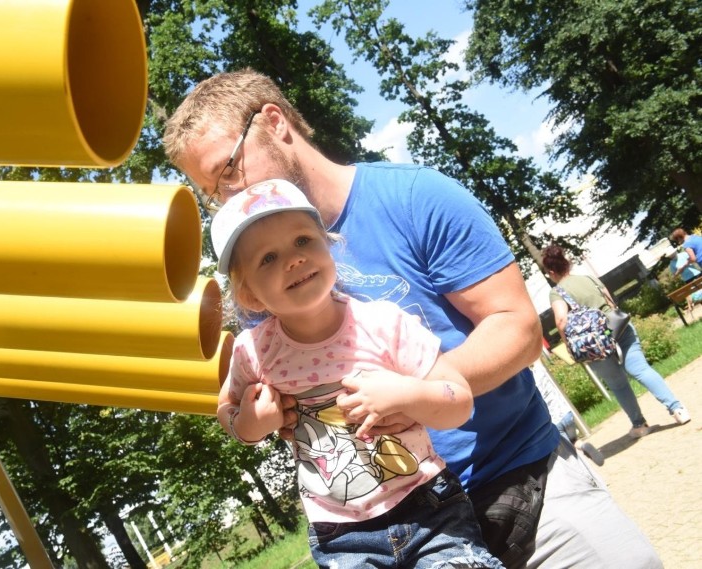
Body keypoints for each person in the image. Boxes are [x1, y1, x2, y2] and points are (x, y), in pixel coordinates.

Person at [164, 68, 663, 568]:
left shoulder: (413, 197)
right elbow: (258, 404)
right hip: (382, 536)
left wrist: (419, 394)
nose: (226, 197)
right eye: (212, 191)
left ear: (274, 122)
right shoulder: (258, 279)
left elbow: (518, 326)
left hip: (522, 482)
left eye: (227, 170)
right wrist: (266, 416)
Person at [212, 179, 502, 567]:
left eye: (302, 241)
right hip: (341, 537)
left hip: (429, 511)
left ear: (329, 244)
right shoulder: (254, 352)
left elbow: (459, 400)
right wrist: (249, 424)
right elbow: (226, 408)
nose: (293, 259)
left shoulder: (384, 323)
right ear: (248, 294)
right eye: (267, 258)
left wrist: (406, 395)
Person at [543, 244, 692, 439]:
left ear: (551, 272)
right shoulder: (588, 278)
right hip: (619, 327)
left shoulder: (557, 292)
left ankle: (639, 424)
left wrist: (571, 346)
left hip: (593, 342)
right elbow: (610, 301)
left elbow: (562, 321)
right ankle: (677, 409)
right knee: (641, 369)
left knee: (618, 384)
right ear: (567, 264)